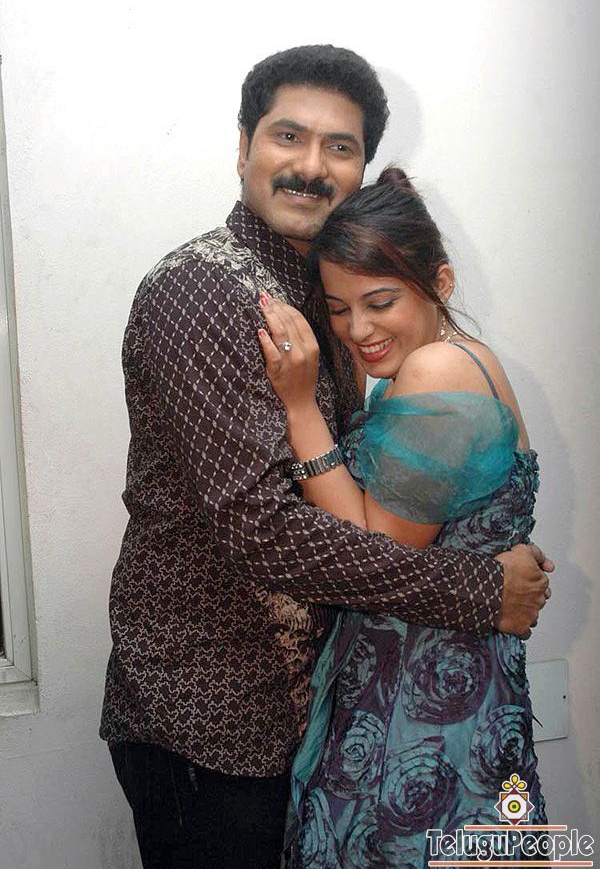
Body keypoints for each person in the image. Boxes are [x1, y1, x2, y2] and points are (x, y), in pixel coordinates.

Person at [100, 45, 552, 869]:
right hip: (214, 717)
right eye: (288, 136)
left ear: (361, 168)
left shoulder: (331, 303)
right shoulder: (203, 290)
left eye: (339, 147)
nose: (311, 166)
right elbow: (261, 529)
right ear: (244, 146)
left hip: (326, 713)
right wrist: (480, 588)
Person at [258, 167, 548, 866]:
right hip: (441, 688)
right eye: (338, 308)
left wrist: (299, 407)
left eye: (379, 301)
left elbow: (374, 552)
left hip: (422, 712)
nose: (357, 330)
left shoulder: (437, 369)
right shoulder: (450, 366)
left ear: (439, 283)